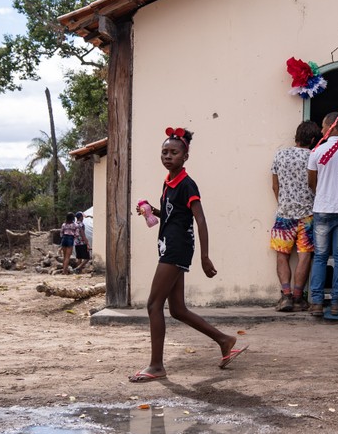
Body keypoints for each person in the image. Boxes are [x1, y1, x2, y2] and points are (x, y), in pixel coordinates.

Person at [129, 127, 246, 383]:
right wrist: (153, 211)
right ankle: (225, 340)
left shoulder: (186, 183)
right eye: (164, 152)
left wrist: (205, 256)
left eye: (173, 152)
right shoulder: (169, 181)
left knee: (153, 305)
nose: (168, 156)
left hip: (177, 247)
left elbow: (200, 220)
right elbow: (174, 214)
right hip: (169, 244)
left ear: (185, 157)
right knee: (178, 309)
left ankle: (157, 366)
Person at [270, 120, 322, 311]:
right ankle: (299, 298)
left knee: (282, 255)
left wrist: (283, 203)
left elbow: (275, 186)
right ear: (314, 139)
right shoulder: (313, 156)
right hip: (308, 215)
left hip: (284, 213)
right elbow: (315, 184)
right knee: (304, 256)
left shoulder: (280, 154)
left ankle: (285, 297)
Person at [307, 112, 338, 317]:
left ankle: (316, 302)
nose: (322, 131)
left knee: (320, 256)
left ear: (333, 127)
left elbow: (311, 182)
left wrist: (322, 194)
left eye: (324, 127)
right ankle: (336, 301)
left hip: (322, 208)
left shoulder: (317, 151)